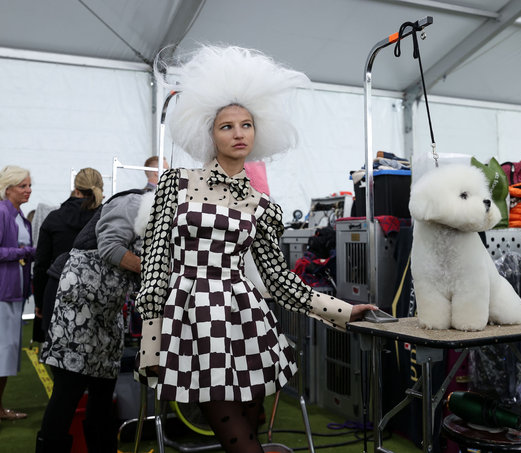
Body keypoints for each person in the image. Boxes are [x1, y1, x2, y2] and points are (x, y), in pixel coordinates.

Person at [135, 45, 377, 453]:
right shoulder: (175, 183)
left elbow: (279, 280)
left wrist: (342, 310)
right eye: (227, 126)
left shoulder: (262, 206)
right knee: (237, 439)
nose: (238, 133)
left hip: (245, 320)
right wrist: (151, 344)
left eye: (246, 125)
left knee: (248, 427)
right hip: (192, 320)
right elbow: (156, 266)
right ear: (209, 134)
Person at [37, 185, 151, 453]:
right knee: (69, 388)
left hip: (107, 308)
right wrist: (155, 271)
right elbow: (111, 247)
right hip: (77, 301)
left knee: (103, 388)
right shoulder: (133, 204)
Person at [32, 168, 104, 342]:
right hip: (96, 292)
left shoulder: (54, 218)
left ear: (76, 189)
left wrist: (40, 303)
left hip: (57, 291)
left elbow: (41, 264)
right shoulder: (106, 218)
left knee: (58, 353)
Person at [0, 165, 35, 421]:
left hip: (13, 291)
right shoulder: (3, 213)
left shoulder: (17, 214)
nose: (28, 190)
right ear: (8, 187)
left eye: (29, 185)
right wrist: (25, 253)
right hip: (4, 293)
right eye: (23, 186)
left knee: (7, 353)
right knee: (4, 352)